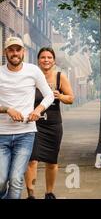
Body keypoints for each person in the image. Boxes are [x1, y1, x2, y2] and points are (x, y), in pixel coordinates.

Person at [0, 37, 54, 199]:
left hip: (26, 134)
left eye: (18, 49)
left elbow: (49, 95)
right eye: (11, 50)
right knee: (1, 180)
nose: (15, 53)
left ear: (24, 52)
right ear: (5, 53)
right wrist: (7, 109)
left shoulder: (33, 71)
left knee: (16, 180)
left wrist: (38, 110)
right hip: (1, 135)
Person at [25, 47, 75, 199]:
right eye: (42, 57)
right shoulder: (32, 77)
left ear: (54, 61)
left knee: (51, 161)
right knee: (32, 160)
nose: (46, 60)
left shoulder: (60, 77)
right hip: (33, 123)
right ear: (38, 60)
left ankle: (49, 193)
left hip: (53, 124)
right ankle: (31, 194)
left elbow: (71, 98)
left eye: (49, 57)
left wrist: (60, 96)